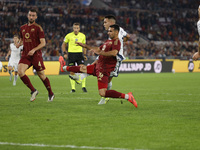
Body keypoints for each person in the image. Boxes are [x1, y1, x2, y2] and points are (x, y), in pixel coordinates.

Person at [60, 24, 137, 108]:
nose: (108, 33)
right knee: (83, 68)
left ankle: (128, 96)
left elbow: (114, 52)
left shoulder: (116, 41)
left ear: (116, 32)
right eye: (108, 31)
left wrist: (101, 53)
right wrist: (85, 46)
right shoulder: (108, 41)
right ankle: (64, 67)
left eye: (110, 31)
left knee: (102, 93)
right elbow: (97, 49)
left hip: (104, 70)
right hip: (98, 65)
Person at [16, 9, 54, 102]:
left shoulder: (38, 28)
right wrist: (18, 44)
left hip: (36, 55)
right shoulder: (22, 28)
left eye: (33, 15)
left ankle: (50, 93)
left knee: (41, 75)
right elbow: (22, 39)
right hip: (26, 55)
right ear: (27, 15)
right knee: (20, 72)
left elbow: (43, 43)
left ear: (36, 17)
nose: (31, 17)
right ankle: (33, 90)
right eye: (30, 15)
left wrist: (34, 50)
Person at [59, 22, 88, 93]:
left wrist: (84, 54)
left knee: (83, 69)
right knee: (72, 72)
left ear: (79, 28)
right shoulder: (68, 35)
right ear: (73, 28)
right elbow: (63, 45)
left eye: (77, 28)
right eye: (74, 28)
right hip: (71, 54)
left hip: (79, 54)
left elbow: (84, 46)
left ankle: (83, 87)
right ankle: (73, 89)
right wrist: (65, 53)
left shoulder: (83, 36)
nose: (76, 29)